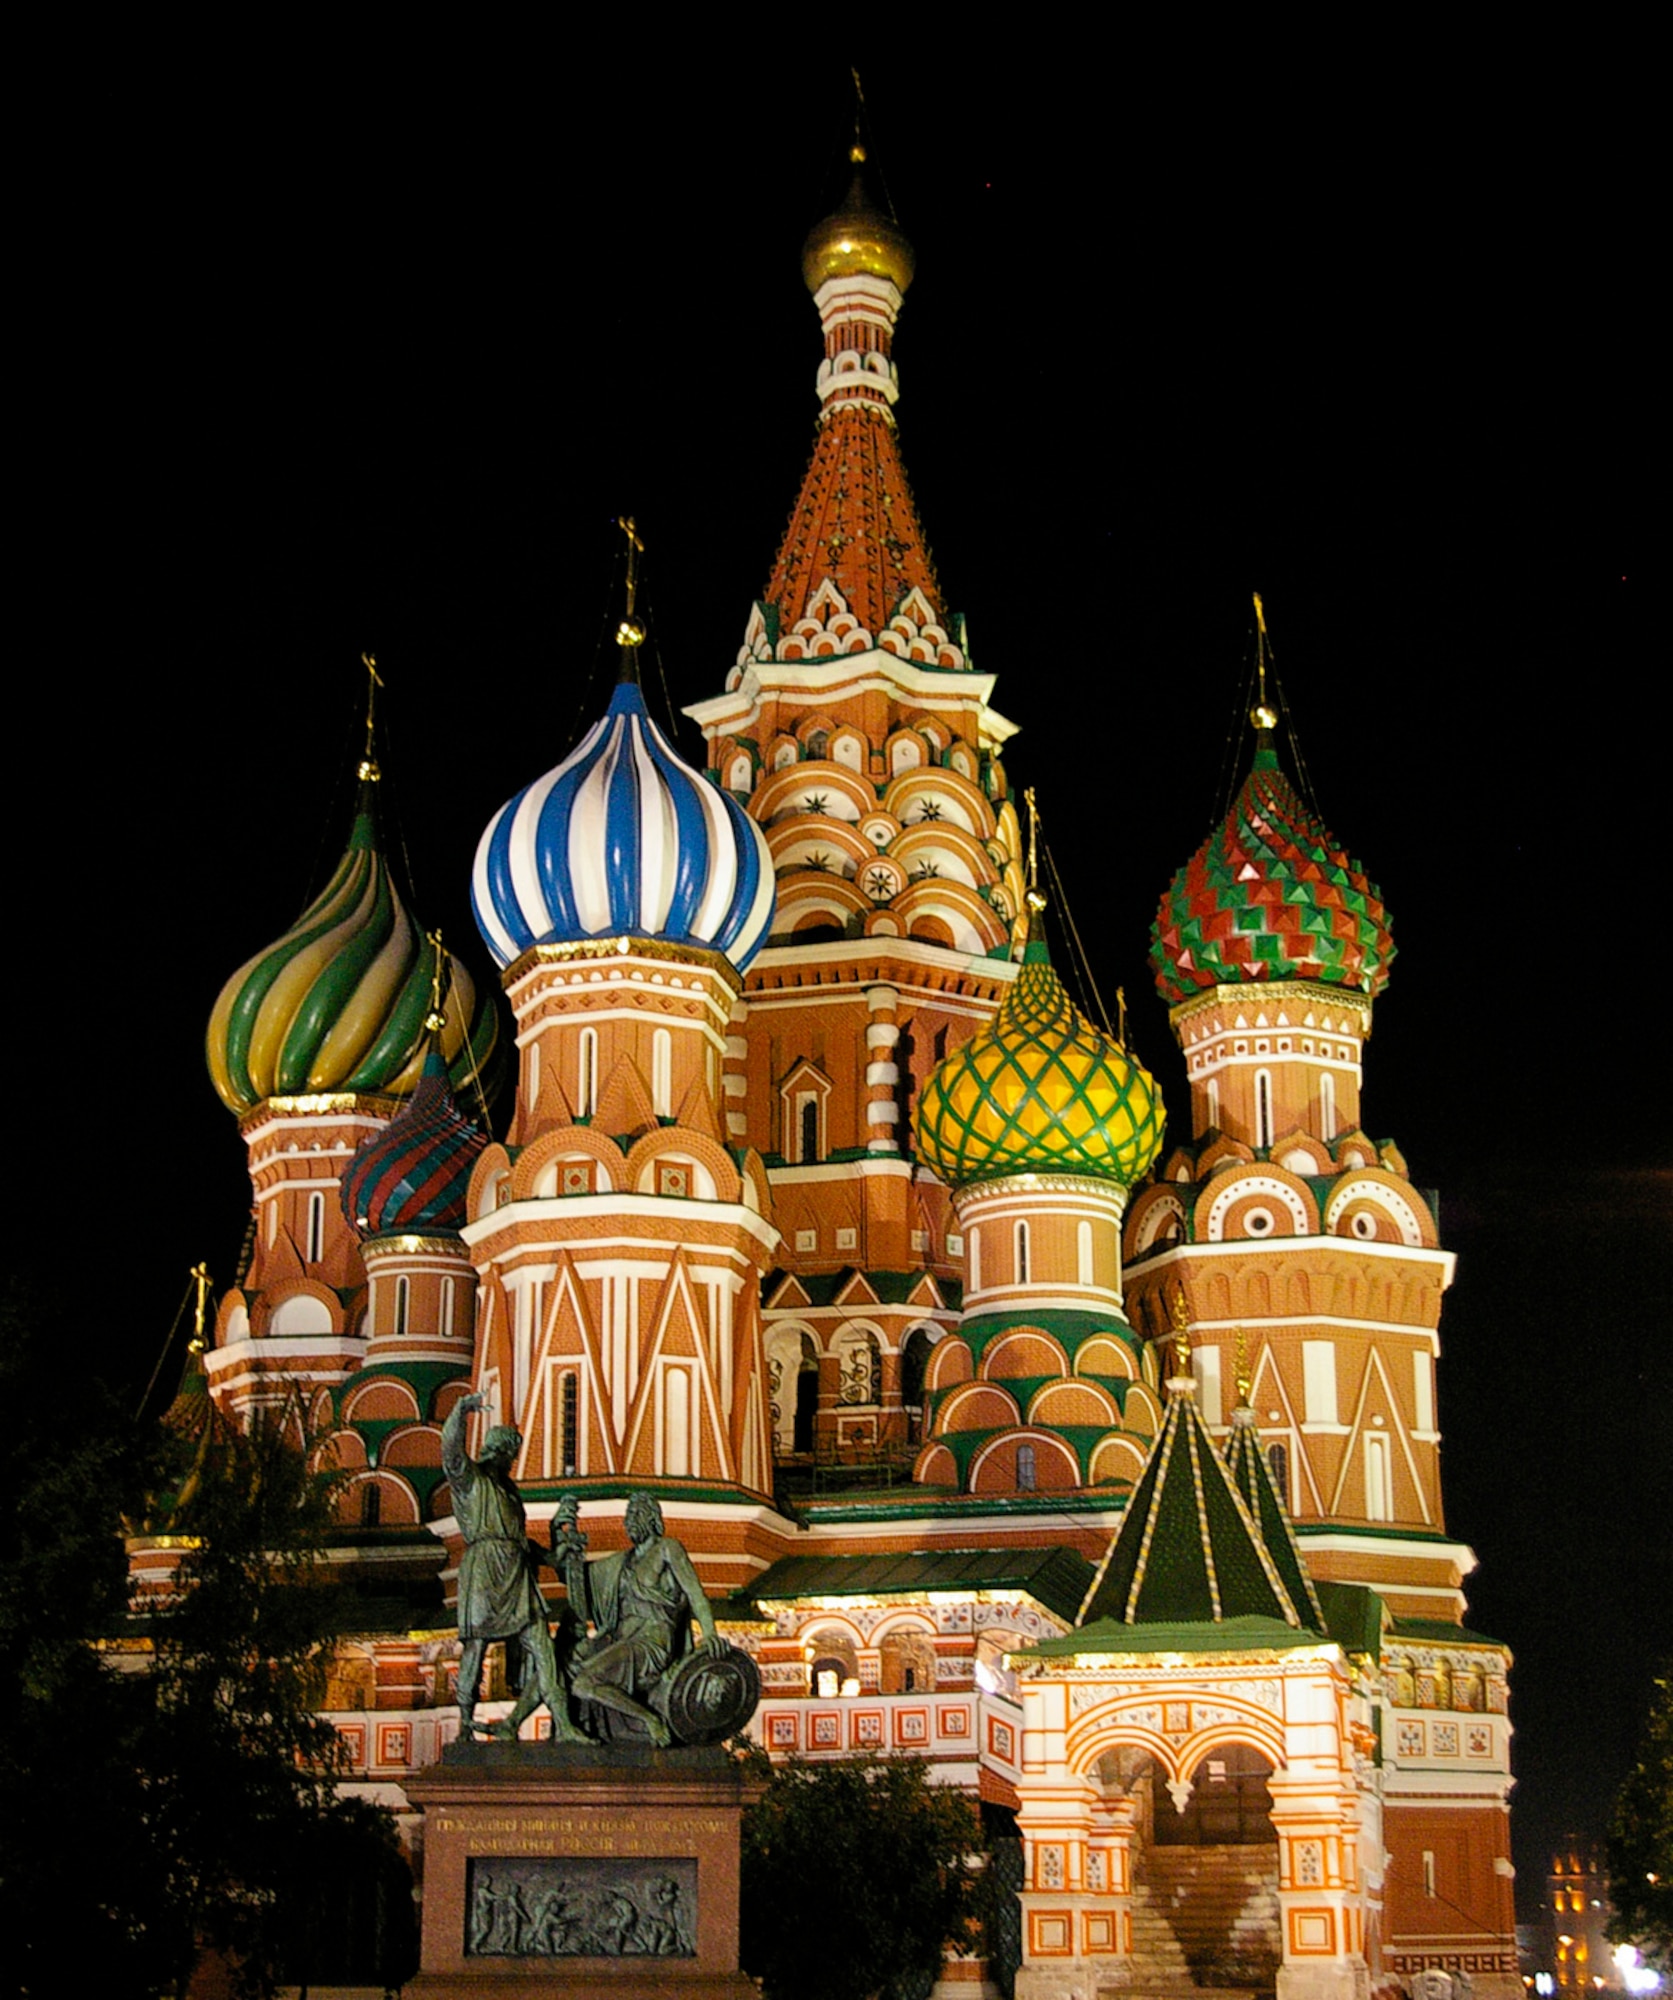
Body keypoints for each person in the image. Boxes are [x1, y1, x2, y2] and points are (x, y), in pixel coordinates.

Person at [443, 1392, 586, 1742]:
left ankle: (564, 1725)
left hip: (516, 1573)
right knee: (476, 1647)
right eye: (510, 1456)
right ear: (499, 1452)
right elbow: (450, 1455)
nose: (512, 1463)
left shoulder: (508, 1491)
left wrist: (553, 1556)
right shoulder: (472, 1482)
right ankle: (464, 1726)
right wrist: (460, 1412)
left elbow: (519, 1540)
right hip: (485, 1574)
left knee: (544, 1648)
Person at [569, 1491, 727, 1747]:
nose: (628, 1522)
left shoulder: (667, 1548)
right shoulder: (623, 1561)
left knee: (584, 1682)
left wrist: (709, 1634)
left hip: (652, 1642)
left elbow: (695, 1593)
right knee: (568, 1663)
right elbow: (580, 1579)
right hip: (622, 1639)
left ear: (651, 1518)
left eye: (635, 1515)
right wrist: (567, 1549)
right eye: (627, 1516)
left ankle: (650, 1720)